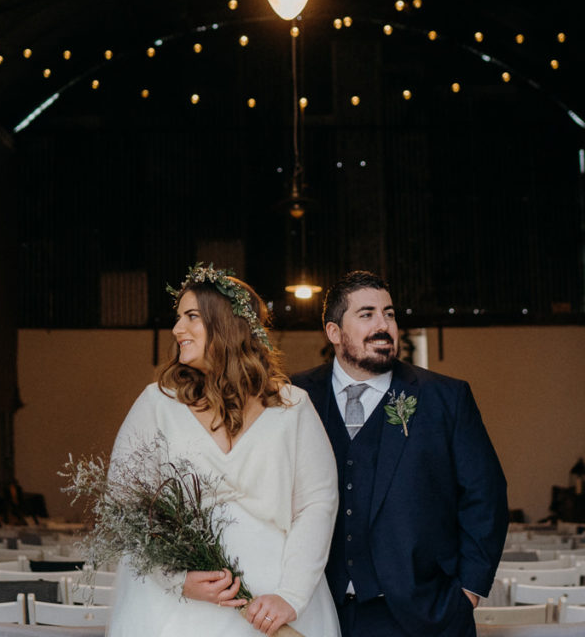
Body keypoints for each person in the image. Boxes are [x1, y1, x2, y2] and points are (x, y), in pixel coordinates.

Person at [107, 265, 342, 637]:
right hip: (176, 611)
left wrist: (290, 596)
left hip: (273, 607)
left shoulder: (293, 407)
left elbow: (317, 504)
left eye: (191, 317)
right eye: (178, 317)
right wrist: (175, 579)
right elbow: (123, 505)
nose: (176, 329)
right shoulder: (157, 404)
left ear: (227, 324)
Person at [291, 270, 508, 637]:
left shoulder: (445, 398)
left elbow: (485, 496)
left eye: (389, 313)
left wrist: (467, 592)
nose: (384, 325)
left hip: (423, 613)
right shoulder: (293, 396)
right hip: (318, 613)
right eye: (367, 314)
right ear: (333, 333)